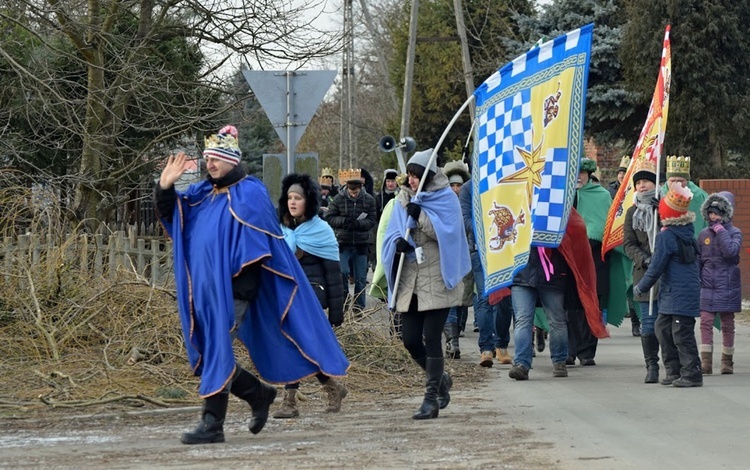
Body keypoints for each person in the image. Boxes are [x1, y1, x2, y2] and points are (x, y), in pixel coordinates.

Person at [155, 125, 349, 444]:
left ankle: (212, 424)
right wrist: (164, 187)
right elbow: (174, 218)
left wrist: (233, 278)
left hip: (235, 290)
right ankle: (258, 394)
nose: (210, 164)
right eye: (207, 158)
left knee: (218, 348)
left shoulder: (251, 192)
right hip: (203, 291)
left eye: (216, 158)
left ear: (232, 159)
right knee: (207, 351)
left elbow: (260, 247)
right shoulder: (202, 194)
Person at [382, 149, 471, 419]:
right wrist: (397, 242)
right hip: (411, 281)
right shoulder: (403, 199)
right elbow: (394, 230)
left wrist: (420, 216)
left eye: (416, 176)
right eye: (409, 175)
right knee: (409, 339)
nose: (410, 180)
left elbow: (448, 234)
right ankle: (441, 379)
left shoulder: (447, 199)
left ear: (428, 177)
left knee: (432, 338)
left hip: (438, 280)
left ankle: (431, 398)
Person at [273, 173, 349, 418]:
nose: (293, 202)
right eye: (289, 198)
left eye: (298, 198)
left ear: (310, 201)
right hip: (287, 296)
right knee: (301, 348)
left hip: (314, 296)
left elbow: (334, 274)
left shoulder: (321, 231)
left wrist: (337, 311)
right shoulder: (281, 231)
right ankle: (332, 387)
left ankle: (290, 401)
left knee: (295, 345)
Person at [633, 182, 702, 388]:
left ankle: (692, 373)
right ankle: (673, 369)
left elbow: (656, 267)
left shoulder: (666, 237)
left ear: (666, 214)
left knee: (681, 333)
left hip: (680, 292)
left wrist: (641, 287)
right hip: (674, 292)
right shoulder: (685, 232)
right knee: (662, 328)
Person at [458, 179, 512, 366]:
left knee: (504, 299)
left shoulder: (504, 183)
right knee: (484, 298)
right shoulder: (467, 188)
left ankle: (501, 344)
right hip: (479, 250)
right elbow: (465, 220)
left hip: (504, 249)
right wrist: (489, 228)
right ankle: (486, 348)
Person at [568, 158, 612, 366]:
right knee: (568, 306)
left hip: (594, 257)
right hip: (567, 258)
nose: (578, 176)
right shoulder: (562, 196)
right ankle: (567, 350)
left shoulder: (602, 195)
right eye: (574, 172)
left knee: (591, 304)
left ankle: (586, 352)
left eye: (582, 172)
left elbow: (606, 227)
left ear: (588, 174)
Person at [623, 157, 661, 383]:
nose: (642, 186)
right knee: (648, 322)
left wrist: (664, 213)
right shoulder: (631, 212)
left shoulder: (665, 207)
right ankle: (652, 366)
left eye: (647, 181)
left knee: (666, 323)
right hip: (644, 273)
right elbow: (629, 244)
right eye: (639, 183)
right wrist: (645, 260)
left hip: (666, 275)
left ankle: (673, 363)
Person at [697, 191, 742, 375]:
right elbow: (698, 259)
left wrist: (721, 232)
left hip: (728, 285)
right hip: (708, 285)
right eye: (711, 213)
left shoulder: (735, 232)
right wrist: (699, 279)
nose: (713, 217)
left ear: (726, 214)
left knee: (727, 322)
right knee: (705, 322)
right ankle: (706, 362)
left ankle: (727, 361)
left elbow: (731, 252)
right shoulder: (703, 234)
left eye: (717, 213)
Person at [326, 169, 377, 312]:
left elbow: (372, 220)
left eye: (356, 192)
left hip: (361, 243)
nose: (353, 194)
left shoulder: (369, 200)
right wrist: (344, 221)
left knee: (360, 277)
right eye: (351, 192)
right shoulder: (338, 199)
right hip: (343, 242)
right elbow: (330, 217)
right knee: (342, 272)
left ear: (361, 188)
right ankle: (343, 301)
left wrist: (358, 224)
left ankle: (359, 307)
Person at [442, 160, 473, 361]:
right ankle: (452, 341)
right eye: (452, 185)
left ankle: (458, 329)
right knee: (452, 299)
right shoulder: (443, 203)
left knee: (464, 299)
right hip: (447, 256)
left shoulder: (469, 204)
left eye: (458, 185)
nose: (455, 189)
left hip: (467, 254)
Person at [661, 156, 708, 238]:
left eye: (680, 181)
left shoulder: (699, 196)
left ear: (687, 180)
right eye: (672, 181)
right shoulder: (659, 194)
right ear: (667, 180)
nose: (676, 184)